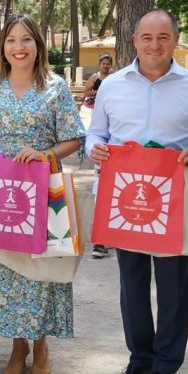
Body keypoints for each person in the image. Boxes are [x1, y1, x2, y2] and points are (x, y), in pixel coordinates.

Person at [86, 9, 188, 374]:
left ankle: (164, 370)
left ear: (175, 40)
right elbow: (96, 133)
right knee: (131, 286)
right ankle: (139, 361)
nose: (154, 45)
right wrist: (94, 147)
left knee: (173, 289)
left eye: (163, 37)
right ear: (134, 40)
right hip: (126, 200)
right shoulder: (112, 85)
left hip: (174, 201)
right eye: (147, 37)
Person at [0, 14, 85, 374]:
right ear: (3, 47)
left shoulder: (55, 87)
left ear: (38, 45)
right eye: (12, 40)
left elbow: (73, 138)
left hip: (40, 188)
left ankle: (41, 342)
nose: (19, 47)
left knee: (38, 266)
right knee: (6, 266)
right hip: (0, 191)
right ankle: (18, 344)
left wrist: (44, 154)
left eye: (26, 39)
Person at [82, 53, 114, 260]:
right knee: (102, 191)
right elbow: (94, 132)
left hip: (115, 148)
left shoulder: (115, 81)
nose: (105, 66)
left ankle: (108, 237)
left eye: (108, 63)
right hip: (103, 149)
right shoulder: (96, 79)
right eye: (103, 63)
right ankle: (100, 240)